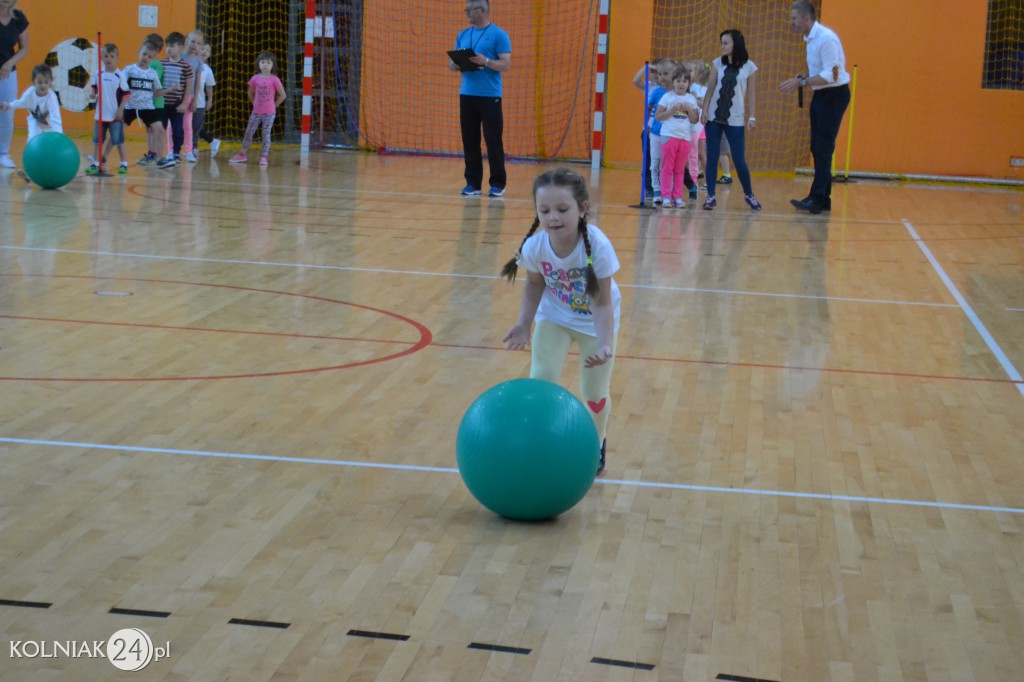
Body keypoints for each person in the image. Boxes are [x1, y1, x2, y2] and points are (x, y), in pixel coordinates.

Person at [501, 168, 621, 475]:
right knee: (540, 381)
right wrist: (523, 324)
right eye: (545, 210)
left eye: (562, 209)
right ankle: (542, 444)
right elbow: (534, 285)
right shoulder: (535, 247)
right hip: (554, 317)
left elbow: (603, 302)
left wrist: (606, 344)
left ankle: (595, 445)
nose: (553, 217)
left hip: (595, 324)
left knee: (594, 395)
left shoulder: (598, 247)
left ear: (582, 209)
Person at [780, 0, 850, 214]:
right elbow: (821, 72)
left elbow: (832, 75)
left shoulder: (826, 39)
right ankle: (822, 197)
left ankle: (817, 198)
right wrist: (806, 77)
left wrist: (802, 82)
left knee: (823, 146)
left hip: (834, 95)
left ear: (806, 19)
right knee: (818, 147)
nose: (792, 23)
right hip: (822, 96)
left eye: (794, 19)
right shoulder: (810, 39)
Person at [448, 0, 511, 197]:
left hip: (490, 96)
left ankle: (498, 184)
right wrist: (457, 64)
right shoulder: (463, 34)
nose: (467, 12)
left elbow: (505, 64)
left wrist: (486, 61)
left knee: (493, 140)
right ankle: (473, 183)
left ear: (482, 10)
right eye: (466, 9)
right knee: (470, 140)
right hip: (467, 95)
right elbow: (452, 64)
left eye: (470, 9)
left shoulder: (499, 35)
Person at [700, 29, 761, 211]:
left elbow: (751, 94)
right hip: (714, 117)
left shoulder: (750, 67)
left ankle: (749, 194)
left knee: (739, 159)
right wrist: (704, 110)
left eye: (726, 42)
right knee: (712, 157)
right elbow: (710, 89)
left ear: (736, 44)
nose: (723, 46)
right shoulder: (717, 63)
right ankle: (710, 196)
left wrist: (752, 116)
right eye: (722, 43)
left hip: (735, 119)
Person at [123, 40, 175, 169]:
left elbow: (156, 92)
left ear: (153, 59)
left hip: (147, 107)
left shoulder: (152, 73)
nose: (146, 58)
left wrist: (168, 90)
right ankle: (101, 159)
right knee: (116, 130)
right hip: (131, 107)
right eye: (144, 54)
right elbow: (120, 87)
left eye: (150, 56)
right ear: (139, 51)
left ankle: (160, 159)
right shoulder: (129, 70)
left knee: (160, 129)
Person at [228, 51, 286, 166]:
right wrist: (254, 103)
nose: (265, 65)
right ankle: (242, 154)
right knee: (249, 132)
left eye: (268, 63)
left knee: (266, 134)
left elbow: (283, 95)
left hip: (269, 113)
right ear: (258, 64)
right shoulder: (255, 78)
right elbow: (250, 93)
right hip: (256, 112)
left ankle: (264, 156)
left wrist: (274, 106)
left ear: (272, 65)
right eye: (263, 62)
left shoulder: (274, 79)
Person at [655, 65, 698, 208]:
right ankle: (666, 196)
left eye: (684, 81)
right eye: (678, 81)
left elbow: (694, 120)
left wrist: (689, 109)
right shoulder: (667, 97)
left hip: (685, 138)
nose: (681, 84)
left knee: (679, 170)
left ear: (688, 84)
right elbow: (659, 116)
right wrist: (671, 110)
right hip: (669, 136)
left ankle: (677, 196)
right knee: (667, 168)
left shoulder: (691, 99)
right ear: (673, 82)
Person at [632, 59, 673, 206]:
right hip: (651, 130)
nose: (657, 76)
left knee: (667, 162)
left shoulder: (673, 91)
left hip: (668, 131)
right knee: (650, 161)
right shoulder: (651, 88)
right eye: (655, 73)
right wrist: (647, 67)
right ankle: (650, 188)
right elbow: (635, 81)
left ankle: (668, 190)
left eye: (661, 73)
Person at [86, 44, 130, 175]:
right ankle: (96, 163)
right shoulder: (98, 73)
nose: (108, 59)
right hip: (100, 115)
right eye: (106, 56)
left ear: (117, 58)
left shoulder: (119, 76)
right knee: (97, 140)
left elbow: (126, 95)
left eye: (112, 56)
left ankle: (123, 164)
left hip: (115, 115)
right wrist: (93, 94)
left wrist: (120, 111)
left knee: (118, 140)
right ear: (101, 58)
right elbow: (94, 88)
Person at [0, 0, 29, 168]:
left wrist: (9, 63)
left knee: (6, 112)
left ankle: (3, 154)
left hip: (7, 74)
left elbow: (24, 48)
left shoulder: (19, 18)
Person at [0, 63, 61, 138]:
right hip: (35, 121)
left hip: (50, 125)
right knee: (33, 138)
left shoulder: (52, 98)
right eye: (39, 82)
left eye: (46, 82)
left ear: (50, 82)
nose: (43, 85)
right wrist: (9, 105)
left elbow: (55, 118)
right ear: (34, 82)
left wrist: (58, 135)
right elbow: (21, 103)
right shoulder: (29, 94)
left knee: (52, 141)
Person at [160, 32, 194, 165]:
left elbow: (188, 86)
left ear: (181, 47)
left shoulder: (186, 66)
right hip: (162, 103)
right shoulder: (161, 64)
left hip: (177, 104)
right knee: (161, 128)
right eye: (167, 45)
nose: (168, 48)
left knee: (178, 129)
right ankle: (160, 152)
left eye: (172, 46)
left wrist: (185, 103)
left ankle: (176, 152)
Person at [136, 33, 165, 165]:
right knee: (149, 129)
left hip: (155, 103)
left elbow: (154, 81)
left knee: (155, 130)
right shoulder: (142, 64)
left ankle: (156, 154)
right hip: (146, 103)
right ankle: (151, 152)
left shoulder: (156, 65)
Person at [192, 43, 219, 157]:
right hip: (185, 100)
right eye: (203, 48)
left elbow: (209, 86)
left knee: (195, 127)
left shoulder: (207, 69)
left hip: (199, 102)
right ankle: (212, 141)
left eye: (208, 50)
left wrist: (210, 99)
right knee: (189, 125)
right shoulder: (190, 64)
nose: (205, 52)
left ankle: (194, 148)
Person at [182, 30, 204, 162]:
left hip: (189, 97)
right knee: (172, 127)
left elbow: (197, 83)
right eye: (193, 41)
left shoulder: (198, 61)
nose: (195, 45)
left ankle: (189, 151)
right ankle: (172, 151)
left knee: (188, 125)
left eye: (198, 43)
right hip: (177, 97)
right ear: (186, 41)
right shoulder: (180, 56)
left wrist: (195, 100)